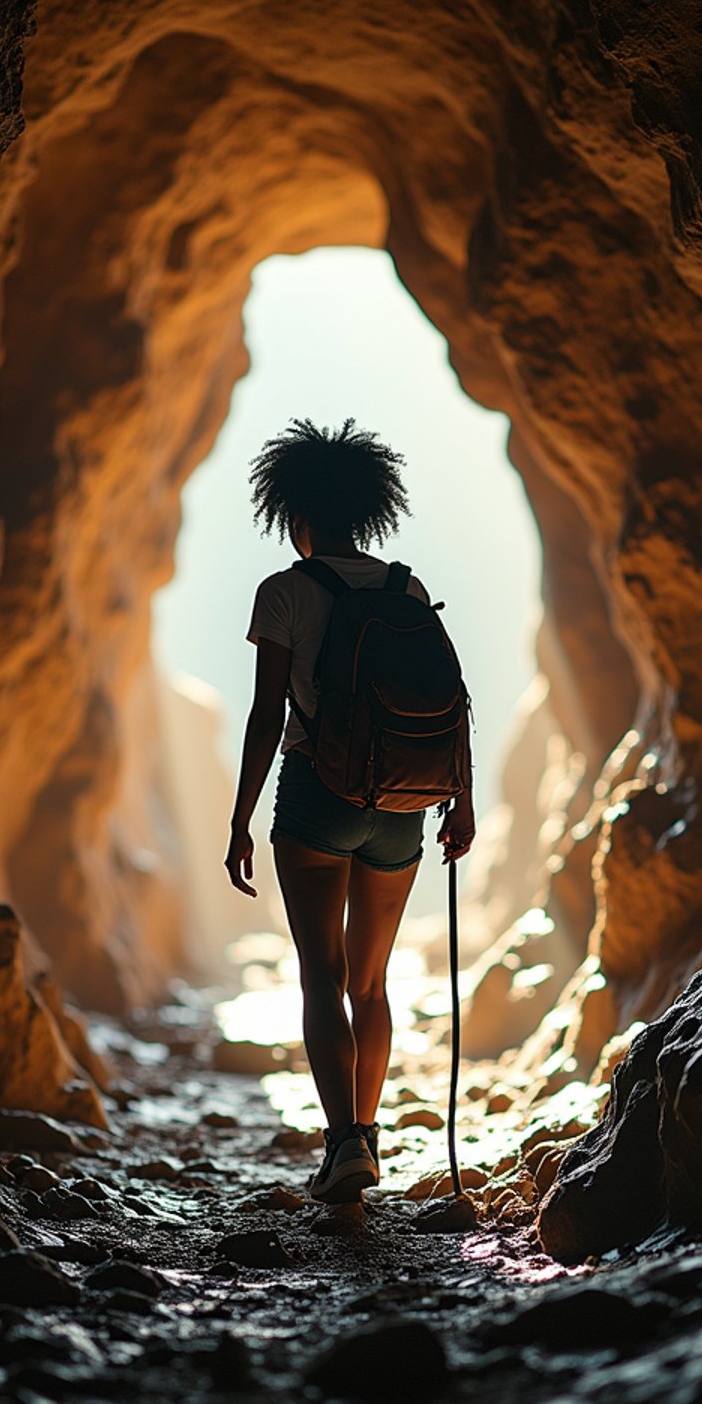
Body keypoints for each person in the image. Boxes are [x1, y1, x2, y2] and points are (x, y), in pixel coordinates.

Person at [224, 418, 475, 1204]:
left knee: (319, 979)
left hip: (316, 798)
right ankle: (369, 1135)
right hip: (403, 804)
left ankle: (344, 1148)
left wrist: (239, 819)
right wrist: (461, 804)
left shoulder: (286, 591)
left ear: (293, 512)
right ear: (367, 509)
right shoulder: (403, 586)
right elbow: (453, 702)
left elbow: (269, 715)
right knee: (371, 985)